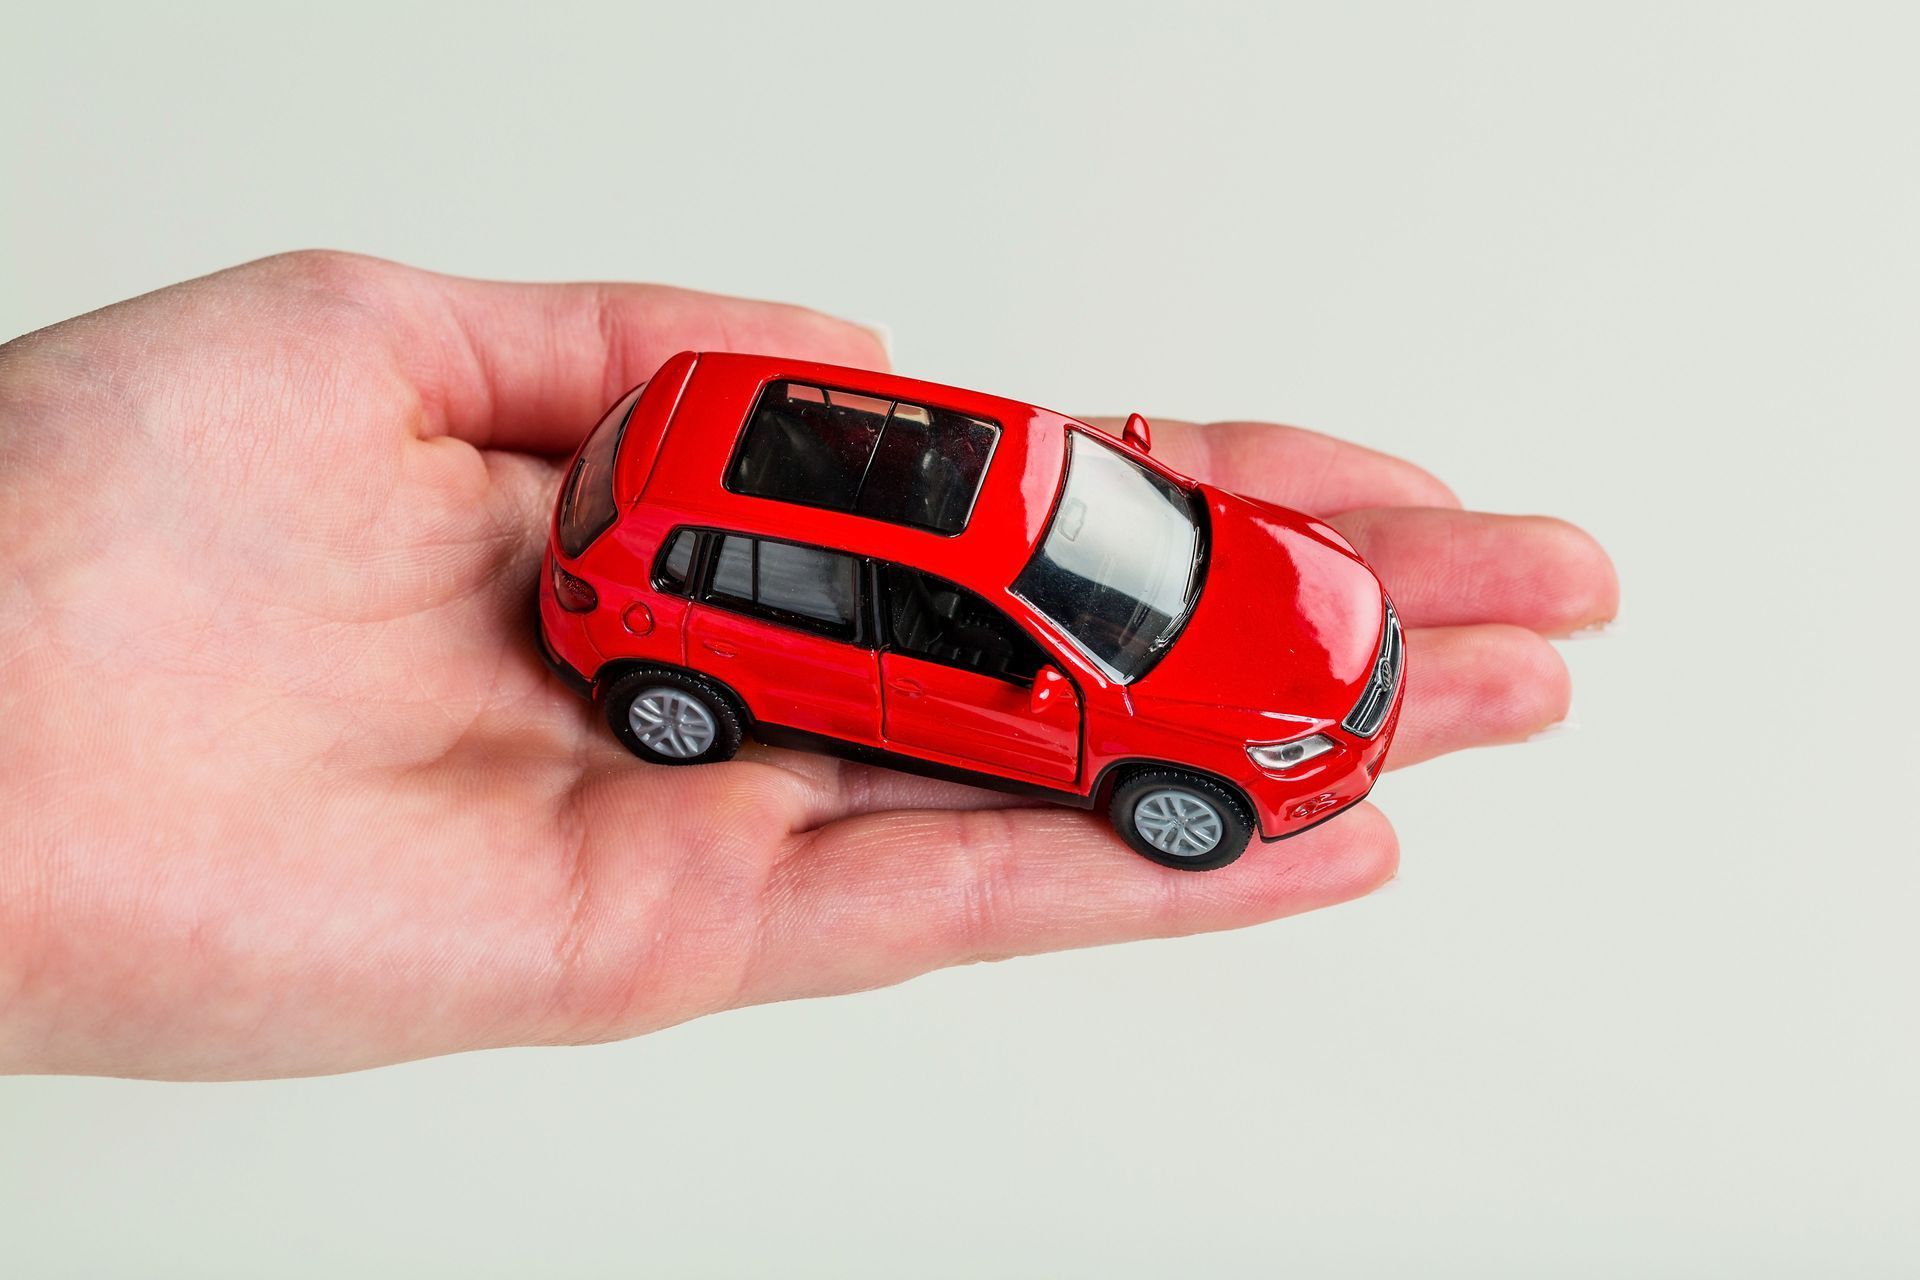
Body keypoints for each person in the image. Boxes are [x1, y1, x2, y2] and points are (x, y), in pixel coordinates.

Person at [0, 252, 1617, 1079]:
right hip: (769, 632)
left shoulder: (1222, 539)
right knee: (714, 683)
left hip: (825, 596)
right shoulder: (690, 613)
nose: (1199, 803)